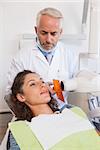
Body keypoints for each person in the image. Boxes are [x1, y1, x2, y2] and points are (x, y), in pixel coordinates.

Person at [7, 70, 100, 150]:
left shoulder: (73, 111)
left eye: (42, 81)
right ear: (21, 97)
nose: (42, 85)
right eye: (33, 84)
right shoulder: (22, 130)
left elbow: (95, 136)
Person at [5, 7, 79, 104]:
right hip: (31, 114)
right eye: (44, 33)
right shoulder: (22, 57)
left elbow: (79, 83)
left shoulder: (70, 54)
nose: (48, 39)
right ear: (36, 30)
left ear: (60, 32)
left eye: (53, 34)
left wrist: (60, 87)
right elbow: (10, 94)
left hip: (61, 112)